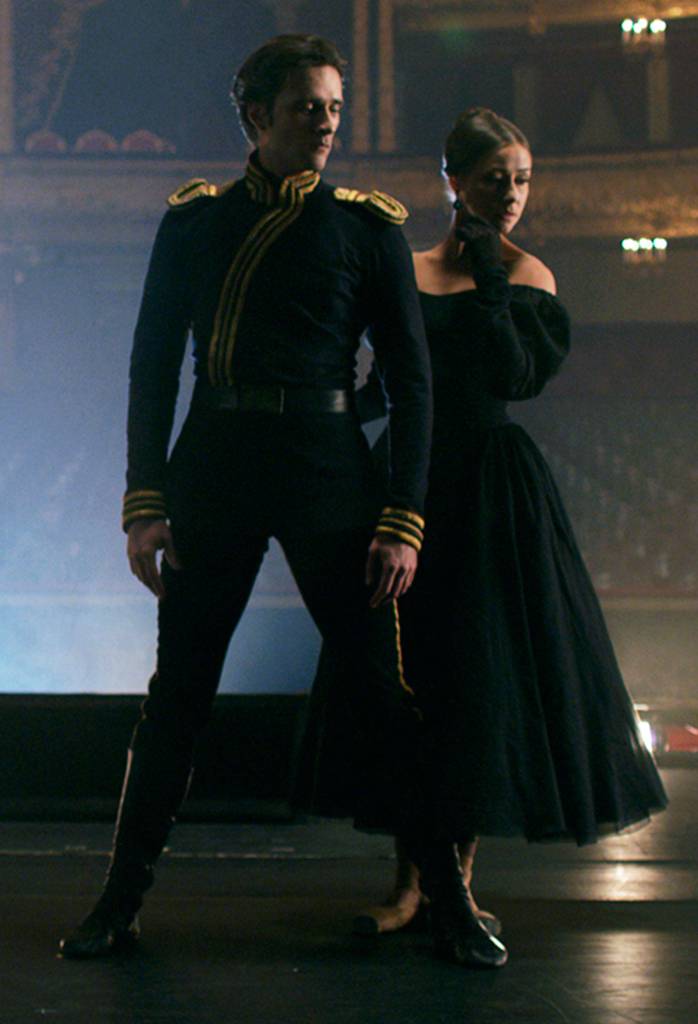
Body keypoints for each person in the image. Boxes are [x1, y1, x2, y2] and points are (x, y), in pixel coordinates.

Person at [58, 34, 434, 960]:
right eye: (308, 107)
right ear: (258, 115)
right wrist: (144, 499)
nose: (326, 124)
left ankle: (450, 898)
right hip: (216, 465)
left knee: (384, 696)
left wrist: (402, 517)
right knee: (178, 696)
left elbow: (413, 383)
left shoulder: (368, 229)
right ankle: (118, 902)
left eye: (334, 108)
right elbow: (152, 368)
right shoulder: (195, 222)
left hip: (328, 469)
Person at [298, 107, 668, 963]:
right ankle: (409, 884)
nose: (511, 195)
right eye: (496, 178)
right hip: (408, 485)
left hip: (492, 493)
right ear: (453, 180)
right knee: (406, 677)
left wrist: (493, 277)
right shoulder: (407, 267)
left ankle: (454, 884)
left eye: (523, 180)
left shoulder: (529, 273)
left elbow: (515, 376)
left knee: (475, 682)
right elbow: (380, 386)